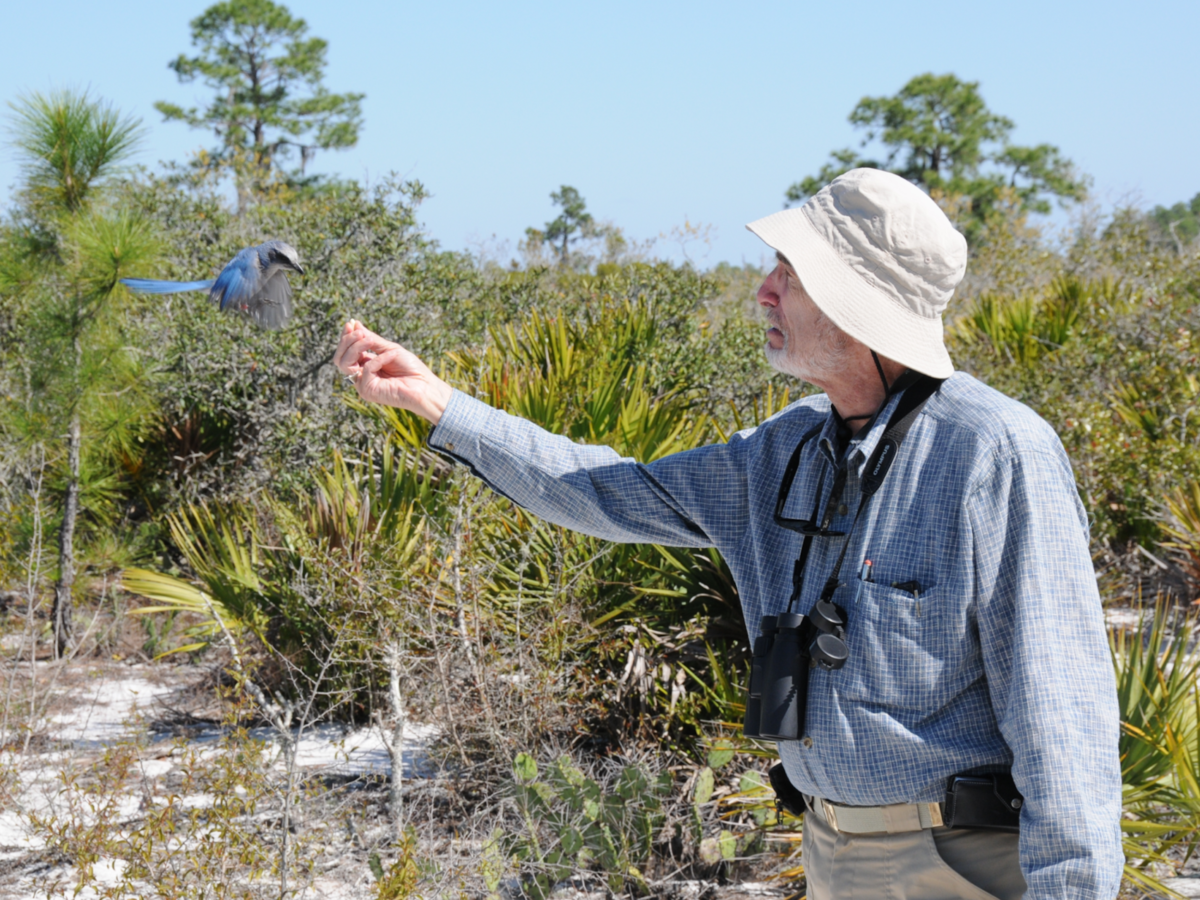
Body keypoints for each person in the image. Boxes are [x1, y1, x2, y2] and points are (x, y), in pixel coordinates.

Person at [333, 168, 1122, 900]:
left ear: (856, 300)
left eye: (790, 273)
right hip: (830, 854)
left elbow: (1061, 716)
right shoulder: (782, 450)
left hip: (963, 865)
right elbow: (603, 491)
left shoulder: (995, 452)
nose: (763, 291)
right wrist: (440, 405)